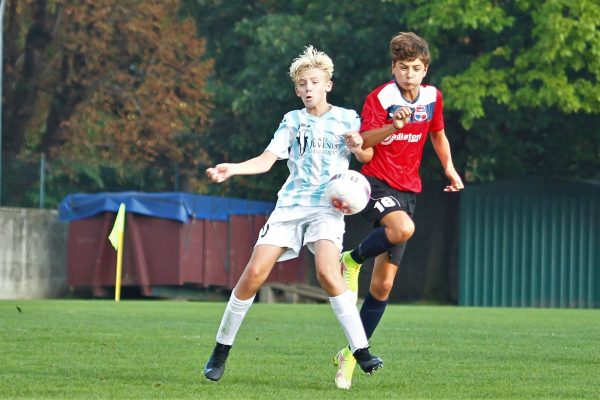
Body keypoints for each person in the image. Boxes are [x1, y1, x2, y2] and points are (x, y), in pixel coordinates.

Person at [203, 45, 383, 384]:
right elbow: (267, 160)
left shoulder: (348, 118)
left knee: (328, 274)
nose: (307, 89)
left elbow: (367, 156)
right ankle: (220, 350)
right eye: (302, 84)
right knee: (254, 273)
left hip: (327, 209)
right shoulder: (292, 120)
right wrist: (233, 169)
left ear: (328, 83)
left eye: (314, 81)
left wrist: (357, 143)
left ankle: (361, 350)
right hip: (290, 206)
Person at [333, 32, 464, 389]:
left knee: (384, 286)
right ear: (393, 68)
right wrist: (394, 125)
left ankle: (349, 355)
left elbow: (438, 134)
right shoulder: (380, 97)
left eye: (416, 68)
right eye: (402, 67)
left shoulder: (433, 97)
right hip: (375, 184)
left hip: (408, 192)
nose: (409, 73)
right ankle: (351, 259)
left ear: (425, 70)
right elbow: (364, 142)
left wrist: (450, 169)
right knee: (402, 229)